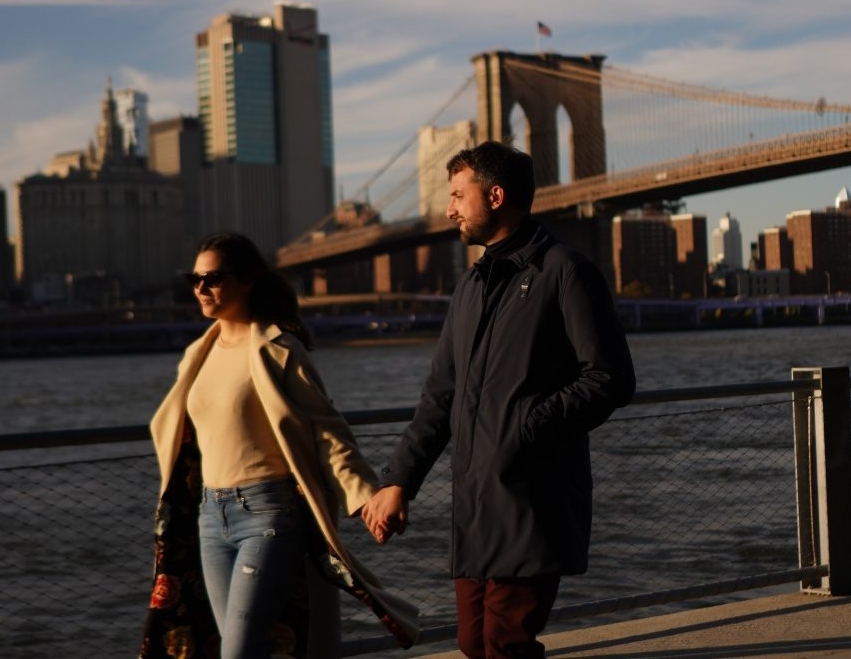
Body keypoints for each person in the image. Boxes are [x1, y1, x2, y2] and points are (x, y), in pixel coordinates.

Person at [363, 142, 636, 658]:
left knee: (503, 644)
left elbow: (610, 377)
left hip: (534, 501)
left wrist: (526, 427)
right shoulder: (470, 287)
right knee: (473, 643)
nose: (448, 209)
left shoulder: (565, 272)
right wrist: (399, 481)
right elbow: (440, 397)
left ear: (495, 195)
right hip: (475, 505)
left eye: (457, 195)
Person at [140, 232, 418, 659]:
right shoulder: (198, 352)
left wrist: (366, 498)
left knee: (240, 652)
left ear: (247, 280)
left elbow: (327, 430)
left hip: (267, 514)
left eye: (212, 278)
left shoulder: (278, 349)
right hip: (209, 517)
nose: (200, 289)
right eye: (193, 279)